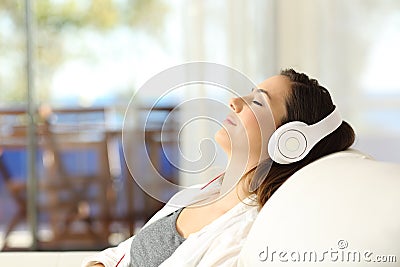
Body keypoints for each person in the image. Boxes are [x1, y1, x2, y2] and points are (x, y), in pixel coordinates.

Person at [82, 69, 355, 267]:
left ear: (289, 142)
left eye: (257, 101)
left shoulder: (247, 233)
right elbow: (126, 252)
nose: (235, 102)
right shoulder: (206, 191)